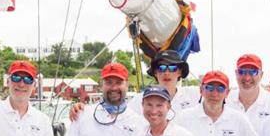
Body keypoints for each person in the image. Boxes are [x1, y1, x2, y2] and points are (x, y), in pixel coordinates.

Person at [68, 49, 200, 122]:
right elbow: (116, 113)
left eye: (172, 67)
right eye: (161, 68)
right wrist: (83, 109)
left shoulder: (194, 94)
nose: (166, 72)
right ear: (155, 72)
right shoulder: (140, 100)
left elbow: (216, 96)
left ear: (180, 71)